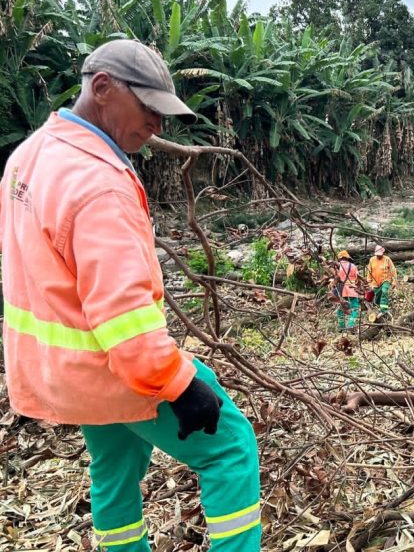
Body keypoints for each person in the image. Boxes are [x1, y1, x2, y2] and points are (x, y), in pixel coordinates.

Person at [0, 39, 261, 551]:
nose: (157, 126)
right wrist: (182, 387)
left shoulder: (28, 155)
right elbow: (124, 319)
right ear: (102, 88)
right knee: (231, 448)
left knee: (115, 468)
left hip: (60, 370)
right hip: (113, 369)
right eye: (148, 109)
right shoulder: (100, 184)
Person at [333, 250, 361, 330]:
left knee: (341, 309)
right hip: (352, 290)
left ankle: (341, 327)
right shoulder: (353, 266)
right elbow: (357, 278)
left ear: (340, 258)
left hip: (341, 291)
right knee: (354, 308)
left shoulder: (337, 266)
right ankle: (350, 325)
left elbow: (335, 279)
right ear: (346, 257)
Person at [366, 245, 397, 314]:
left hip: (385, 280)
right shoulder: (372, 259)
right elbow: (369, 271)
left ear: (383, 253)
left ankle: (384, 310)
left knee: (384, 291)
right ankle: (378, 306)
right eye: (377, 255)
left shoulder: (387, 259)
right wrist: (368, 281)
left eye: (380, 254)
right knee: (378, 296)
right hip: (375, 282)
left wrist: (394, 281)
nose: (379, 256)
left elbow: (393, 270)